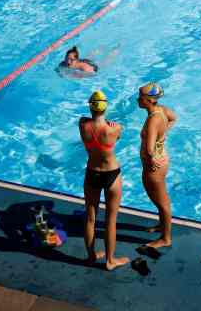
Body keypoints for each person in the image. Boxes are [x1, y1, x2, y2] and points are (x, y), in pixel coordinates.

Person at [79, 90, 130, 270]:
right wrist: (110, 124)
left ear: (90, 106)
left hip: (92, 172)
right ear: (106, 107)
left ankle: (91, 255)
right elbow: (119, 136)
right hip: (111, 174)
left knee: (90, 218)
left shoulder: (83, 125)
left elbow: (87, 120)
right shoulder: (114, 128)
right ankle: (110, 261)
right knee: (111, 220)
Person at [137, 82, 177, 249]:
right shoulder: (162, 110)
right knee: (161, 200)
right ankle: (162, 225)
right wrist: (164, 134)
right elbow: (173, 118)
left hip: (154, 167)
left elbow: (149, 147)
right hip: (163, 159)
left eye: (140, 97)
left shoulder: (153, 119)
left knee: (162, 202)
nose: (138, 100)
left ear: (149, 100)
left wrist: (152, 157)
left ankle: (165, 238)